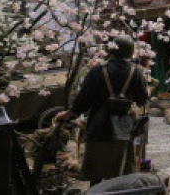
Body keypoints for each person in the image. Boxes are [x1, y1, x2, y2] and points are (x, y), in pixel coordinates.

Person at [55, 35, 148, 186]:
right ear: (130, 52)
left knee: (96, 173)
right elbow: (142, 99)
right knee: (119, 174)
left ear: (111, 50)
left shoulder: (97, 71)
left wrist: (69, 113)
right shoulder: (135, 72)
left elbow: (82, 100)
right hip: (123, 128)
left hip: (99, 126)